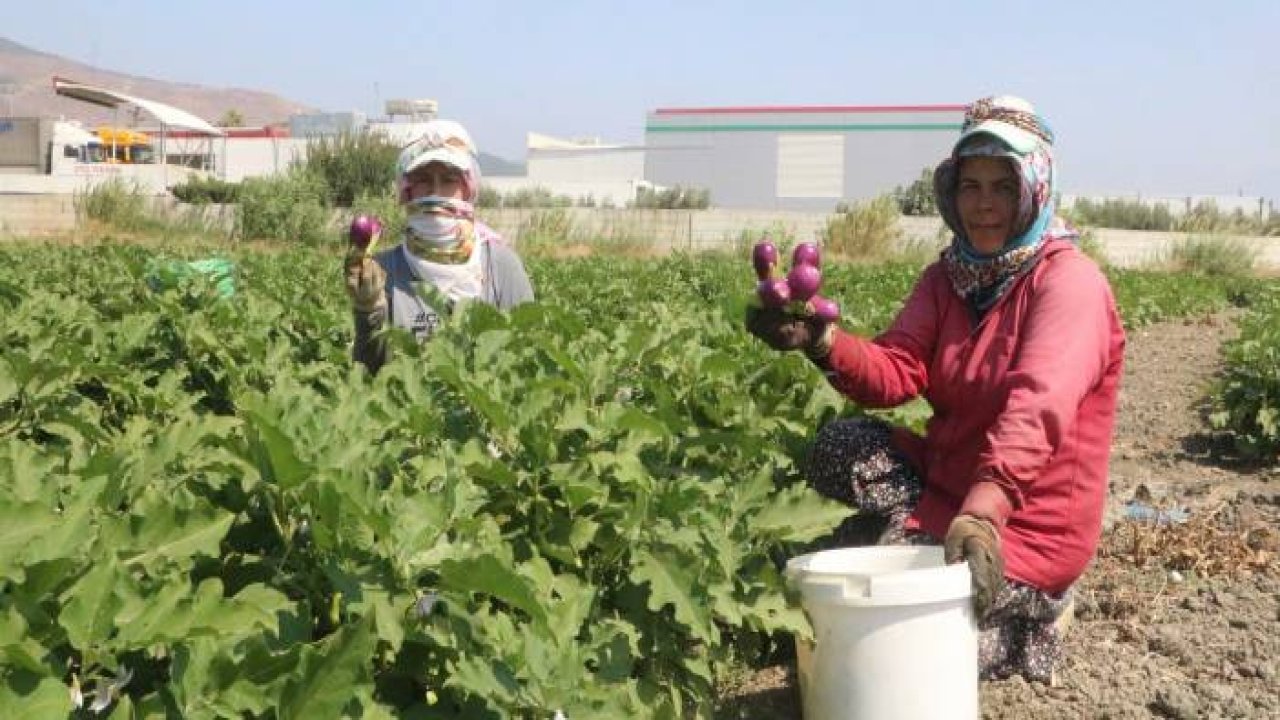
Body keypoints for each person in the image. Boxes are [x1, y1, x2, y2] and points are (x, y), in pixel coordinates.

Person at [746, 95, 1126, 682]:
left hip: (1023, 525)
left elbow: (1039, 405)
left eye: (1003, 186)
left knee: (911, 656)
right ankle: (906, 539)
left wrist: (985, 511)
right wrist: (822, 342)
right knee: (838, 450)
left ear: (1036, 188)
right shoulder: (949, 278)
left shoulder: (1069, 284)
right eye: (969, 185)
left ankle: (1039, 613)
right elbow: (896, 369)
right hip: (950, 488)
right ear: (949, 190)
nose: (984, 205)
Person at [344, 119, 535, 374]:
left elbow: (528, 360)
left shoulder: (502, 267)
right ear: (407, 190)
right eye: (423, 180)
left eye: (448, 180)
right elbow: (369, 375)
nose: (436, 192)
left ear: (468, 189)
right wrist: (368, 311)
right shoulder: (383, 270)